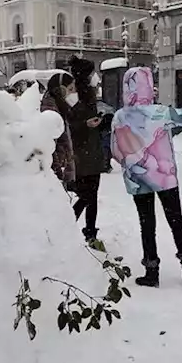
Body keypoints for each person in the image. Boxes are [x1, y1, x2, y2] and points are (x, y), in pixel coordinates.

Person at [111, 66, 182, 287]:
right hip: (165, 177)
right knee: (176, 220)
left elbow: (115, 150)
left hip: (138, 178)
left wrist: (130, 163)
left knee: (147, 224)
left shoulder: (119, 116)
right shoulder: (161, 112)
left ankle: (151, 272)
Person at [67, 57, 107, 242]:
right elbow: (69, 126)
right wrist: (85, 124)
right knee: (86, 196)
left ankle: (90, 231)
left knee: (92, 196)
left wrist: (100, 122)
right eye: (92, 73)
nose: (95, 77)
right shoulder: (73, 97)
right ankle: (66, 225)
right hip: (81, 154)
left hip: (92, 152)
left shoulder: (90, 95)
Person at [40, 72, 77, 184]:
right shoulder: (50, 110)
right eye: (70, 89)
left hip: (61, 171)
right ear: (61, 90)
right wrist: (57, 175)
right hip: (56, 176)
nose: (74, 93)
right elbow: (48, 148)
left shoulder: (60, 106)